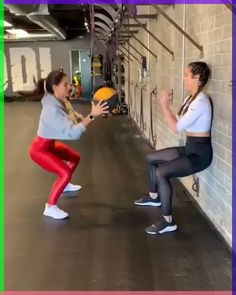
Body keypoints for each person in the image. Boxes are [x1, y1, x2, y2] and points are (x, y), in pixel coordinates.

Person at [134, 61, 213, 235]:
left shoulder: (201, 102)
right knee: (151, 159)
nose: (183, 78)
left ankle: (168, 221)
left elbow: (176, 127)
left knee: (162, 172)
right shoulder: (190, 99)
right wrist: (167, 105)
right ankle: (154, 197)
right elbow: (177, 119)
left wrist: (164, 104)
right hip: (190, 147)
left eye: (186, 75)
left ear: (197, 78)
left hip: (200, 154)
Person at [29, 70, 108, 220]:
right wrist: (91, 116)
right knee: (64, 172)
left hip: (50, 145)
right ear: (55, 87)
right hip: (39, 150)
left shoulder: (61, 100)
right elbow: (73, 133)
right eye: (65, 84)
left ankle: (64, 185)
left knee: (75, 158)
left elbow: (74, 117)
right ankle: (50, 206)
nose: (69, 86)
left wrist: (89, 116)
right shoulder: (51, 110)